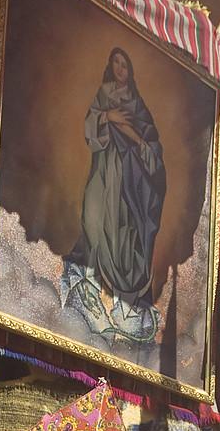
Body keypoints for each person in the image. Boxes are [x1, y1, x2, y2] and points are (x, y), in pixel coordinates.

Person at [63, 48, 165, 346]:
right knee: (95, 218)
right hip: (106, 170)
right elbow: (93, 124)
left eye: (125, 64)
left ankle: (125, 301)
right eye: (116, 63)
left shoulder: (137, 103)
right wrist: (107, 116)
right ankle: (87, 281)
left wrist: (141, 144)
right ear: (111, 66)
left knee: (126, 230)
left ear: (130, 70)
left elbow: (150, 139)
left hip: (131, 179)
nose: (120, 68)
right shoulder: (104, 93)